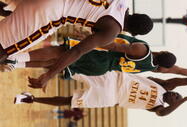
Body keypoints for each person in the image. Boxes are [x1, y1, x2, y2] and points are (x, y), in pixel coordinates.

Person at [0, 0, 153, 84]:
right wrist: (50, 74)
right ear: (134, 33)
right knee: (5, 48)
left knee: (8, 10)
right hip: (51, 11)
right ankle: (13, 60)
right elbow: (76, 51)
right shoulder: (112, 30)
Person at [1, 34, 187, 85]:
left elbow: (113, 45)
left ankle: (14, 57)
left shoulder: (142, 49)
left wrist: (88, 39)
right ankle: (16, 63)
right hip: (101, 69)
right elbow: (180, 71)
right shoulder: (156, 68)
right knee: (56, 63)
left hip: (100, 55)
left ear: (162, 53)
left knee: (59, 54)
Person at [15, 70, 187, 117]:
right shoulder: (165, 86)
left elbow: (164, 114)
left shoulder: (158, 108)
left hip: (112, 98)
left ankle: (30, 98)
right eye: (177, 95)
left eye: (176, 100)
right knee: (73, 68)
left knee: (71, 102)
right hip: (115, 79)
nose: (175, 97)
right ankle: (39, 68)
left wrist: (185, 101)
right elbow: (185, 80)